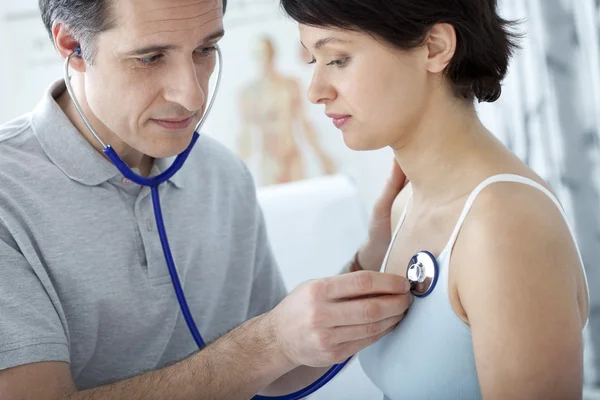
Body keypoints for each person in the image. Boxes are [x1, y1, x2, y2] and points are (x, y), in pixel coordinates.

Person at [0, 0, 415, 399]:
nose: (192, 95)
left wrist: (371, 260)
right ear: (73, 46)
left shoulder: (222, 175)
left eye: (205, 49)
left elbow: (274, 374)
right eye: (150, 58)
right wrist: (268, 343)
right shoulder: (7, 197)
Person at [279, 0, 591, 398]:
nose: (315, 92)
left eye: (338, 59)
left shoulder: (505, 225)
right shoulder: (403, 204)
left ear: (435, 48)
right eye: (313, 62)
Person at [238, 37, 336, 186]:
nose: (263, 58)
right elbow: (246, 135)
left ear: (273, 53)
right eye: (259, 53)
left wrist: (322, 156)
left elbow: (304, 122)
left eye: (265, 52)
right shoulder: (249, 93)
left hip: (292, 156)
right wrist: (236, 171)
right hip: (269, 161)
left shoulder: (290, 85)